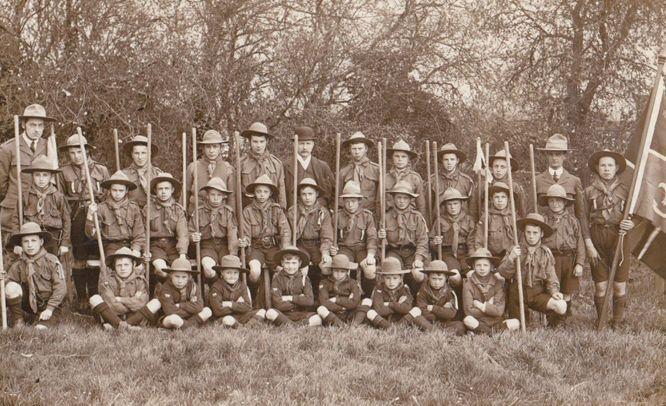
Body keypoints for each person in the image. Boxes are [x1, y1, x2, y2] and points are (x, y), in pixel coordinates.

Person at [58, 133, 110, 312]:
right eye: (72, 152)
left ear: (86, 150)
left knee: (95, 255)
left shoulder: (101, 170)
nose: (75, 156)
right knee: (79, 257)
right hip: (76, 216)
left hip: (97, 214)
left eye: (79, 151)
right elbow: (61, 198)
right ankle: (81, 297)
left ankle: (94, 293)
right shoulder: (63, 172)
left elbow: (108, 193)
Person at [584, 150, 635, 328]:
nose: (606, 169)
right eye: (603, 165)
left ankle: (617, 321)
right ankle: (602, 320)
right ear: (597, 168)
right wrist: (588, 243)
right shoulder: (589, 191)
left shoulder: (627, 190)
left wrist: (631, 224)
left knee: (619, 285)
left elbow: (636, 214)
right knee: (600, 285)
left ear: (617, 168)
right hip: (597, 237)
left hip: (619, 237)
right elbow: (583, 219)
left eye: (610, 165)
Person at [497, 213, 568, 324]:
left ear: (541, 234)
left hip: (537, 292)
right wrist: (511, 258)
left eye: (535, 233)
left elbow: (551, 277)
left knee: (561, 305)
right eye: (528, 232)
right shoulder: (515, 249)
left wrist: (554, 291)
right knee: (517, 325)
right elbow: (503, 273)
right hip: (517, 293)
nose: (531, 236)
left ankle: (554, 326)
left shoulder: (545, 253)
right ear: (524, 232)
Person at [1, 222, 66, 329]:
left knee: (40, 330)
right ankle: (18, 321)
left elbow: (61, 288)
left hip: (49, 306)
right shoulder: (19, 264)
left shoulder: (51, 261)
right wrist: (4, 279)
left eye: (33, 241)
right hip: (30, 305)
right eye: (26, 241)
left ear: (41, 242)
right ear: (21, 244)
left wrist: (50, 309)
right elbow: (9, 286)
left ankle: (43, 321)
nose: (30, 245)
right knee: (11, 287)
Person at [0, 104, 53, 232]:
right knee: (13, 247)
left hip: (37, 209)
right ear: (23, 124)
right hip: (13, 209)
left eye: (40, 125)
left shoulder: (48, 146)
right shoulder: (8, 148)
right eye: (33, 125)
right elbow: (1, 184)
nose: (37, 129)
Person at [535, 134, 591, 252]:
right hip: (543, 241)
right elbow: (531, 212)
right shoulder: (537, 180)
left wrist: (587, 240)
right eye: (551, 154)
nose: (554, 158)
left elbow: (580, 214)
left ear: (565, 156)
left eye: (558, 154)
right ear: (547, 155)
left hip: (567, 239)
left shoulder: (574, 181)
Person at [239, 174, 291, 302]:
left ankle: (278, 298)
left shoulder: (277, 210)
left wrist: (284, 250)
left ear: (270, 193)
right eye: (259, 191)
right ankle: (253, 292)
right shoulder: (247, 211)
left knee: (284, 270)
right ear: (254, 193)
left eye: (265, 192)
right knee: (255, 272)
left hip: (273, 248)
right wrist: (244, 241)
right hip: (256, 248)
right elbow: (245, 233)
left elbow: (285, 231)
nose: (262, 194)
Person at [540, 184, 585, 323]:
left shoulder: (573, 221)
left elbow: (580, 243)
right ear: (547, 202)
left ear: (565, 202)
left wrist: (579, 263)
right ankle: (552, 320)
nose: (555, 204)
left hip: (568, 259)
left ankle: (564, 318)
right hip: (550, 259)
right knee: (552, 288)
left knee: (567, 290)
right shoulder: (544, 220)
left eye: (559, 201)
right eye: (552, 201)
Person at [88, 247, 161, 331]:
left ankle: (117, 326)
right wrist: (131, 304)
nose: (122, 268)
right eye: (119, 265)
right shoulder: (108, 281)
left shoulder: (140, 281)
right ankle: (125, 326)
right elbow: (110, 304)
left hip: (133, 317)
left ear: (133, 264)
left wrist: (120, 299)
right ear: (114, 266)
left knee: (156, 303)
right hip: (114, 316)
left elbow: (141, 303)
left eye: (126, 265)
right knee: (94, 299)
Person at [11, 155, 71, 256]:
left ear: (51, 176)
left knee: (51, 265)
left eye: (45, 175)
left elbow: (66, 221)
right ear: (32, 176)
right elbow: (15, 219)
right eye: (37, 175)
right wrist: (17, 243)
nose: (41, 179)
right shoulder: (25, 196)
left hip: (53, 239)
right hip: (31, 239)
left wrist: (64, 243)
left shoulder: (58, 196)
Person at [378, 181, 429, 292]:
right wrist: (382, 238)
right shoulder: (386, 217)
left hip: (412, 252)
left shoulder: (417, 217)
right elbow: (381, 245)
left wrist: (418, 258)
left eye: (405, 198)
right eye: (399, 197)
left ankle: (416, 298)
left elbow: (423, 241)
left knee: (417, 273)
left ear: (410, 199)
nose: (401, 201)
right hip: (394, 251)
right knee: (392, 269)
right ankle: (393, 299)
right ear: (394, 198)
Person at [329, 181, 378, 296]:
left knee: (370, 270)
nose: (350, 205)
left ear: (359, 201)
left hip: (362, 249)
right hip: (344, 249)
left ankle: (368, 296)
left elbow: (372, 237)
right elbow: (331, 237)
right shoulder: (337, 216)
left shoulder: (367, 216)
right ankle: (345, 295)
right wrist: (333, 248)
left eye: (353, 201)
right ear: (343, 201)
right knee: (342, 266)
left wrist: (370, 254)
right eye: (347, 201)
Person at [287, 178, 333, 294]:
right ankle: (302, 295)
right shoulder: (293, 211)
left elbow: (326, 236)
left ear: (316, 194)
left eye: (310, 194)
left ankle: (323, 295)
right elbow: (288, 234)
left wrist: (325, 253)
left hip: (317, 246)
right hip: (300, 245)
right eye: (304, 194)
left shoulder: (323, 213)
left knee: (326, 266)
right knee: (302, 267)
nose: (307, 197)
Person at [189, 177, 239, 282]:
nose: (216, 198)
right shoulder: (198, 212)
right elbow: (190, 231)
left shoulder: (228, 212)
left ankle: (221, 289)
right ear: (207, 196)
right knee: (208, 269)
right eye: (212, 195)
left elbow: (232, 235)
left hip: (224, 246)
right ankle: (217, 284)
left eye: (219, 195)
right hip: (206, 247)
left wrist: (233, 254)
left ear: (224, 196)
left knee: (229, 268)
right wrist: (193, 237)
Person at [85, 171, 146, 255]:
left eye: (121, 190)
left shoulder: (133, 208)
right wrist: (90, 216)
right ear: (110, 189)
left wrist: (136, 250)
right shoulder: (101, 208)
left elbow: (139, 233)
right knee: (119, 261)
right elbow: (92, 235)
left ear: (126, 190)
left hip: (131, 245)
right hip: (111, 247)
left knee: (138, 266)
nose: (117, 194)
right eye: (114, 190)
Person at [462, 248, 520, 335]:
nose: (482, 268)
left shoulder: (498, 283)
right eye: (478, 265)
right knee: (468, 320)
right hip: (478, 321)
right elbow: (469, 311)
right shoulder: (468, 285)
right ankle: (493, 333)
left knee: (516, 322)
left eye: (485, 265)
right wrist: (490, 308)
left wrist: (481, 306)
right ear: (473, 266)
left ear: (491, 267)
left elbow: (499, 311)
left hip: (495, 321)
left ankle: (480, 332)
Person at [146, 173, 189, 283]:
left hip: (173, 246)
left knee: (180, 270)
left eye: (166, 188)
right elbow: (143, 232)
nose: (163, 192)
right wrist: (144, 250)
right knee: (162, 270)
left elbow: (182, 234)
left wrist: (182, 254)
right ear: (155, 191)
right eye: (160, 189)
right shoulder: (148, 208)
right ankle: (163, 289)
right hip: (155, 246)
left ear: (172, 190)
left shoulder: (178, 210)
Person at [265, 246, 322, 327]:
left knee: (318, 318)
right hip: (284, 314)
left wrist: (289, 298)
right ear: (282, 263)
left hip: (301, 313)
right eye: (287, 263)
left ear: (300, 263)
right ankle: (297, 326)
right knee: (270, 313)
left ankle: (289, 325)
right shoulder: (277, 279)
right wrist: (300, 300)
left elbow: (309, 301)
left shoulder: (304, 278)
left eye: (294, 263)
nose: (290, 267)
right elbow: (278, 303)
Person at [429, 188, 475, 281]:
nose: (453, 207)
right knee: (455, 276)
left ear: (461, 204)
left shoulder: (468, 220)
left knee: (471, 275)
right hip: (447, 254)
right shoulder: (439, 221)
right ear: (445, 206)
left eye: (455, 203)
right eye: (449, 204)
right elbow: (431, 243)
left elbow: (472, 241)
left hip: (464, 253)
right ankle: (455, 294)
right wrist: (435, 243)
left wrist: (472, 258)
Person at [185, 129, 236, 214]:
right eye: (208, 147)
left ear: (220, 148)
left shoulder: (228, 169)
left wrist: (232, 219)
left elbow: (231, 198)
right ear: (203, 148)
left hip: (219, 218)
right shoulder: (193, 167)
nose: (211, 150)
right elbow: (185, 194)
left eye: (215, 146)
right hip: (195, 217)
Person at [208, 255, 266, 327]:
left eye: (235, 273)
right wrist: (239, 305)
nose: (232, 276)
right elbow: (218, 310)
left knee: (262, 311)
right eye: (228, 273)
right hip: (225, 316)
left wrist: (230, 304)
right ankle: (242, 327)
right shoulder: (216, 287)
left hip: (241, 315)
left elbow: (248, 306)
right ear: (222, 272)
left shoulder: (242, 285)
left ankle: (247, 326)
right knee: (227, 320)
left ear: (239, 273)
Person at [239, 122, 287, 208]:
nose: (258, 145)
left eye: (262, 141)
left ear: (267, 142)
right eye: (255, 141)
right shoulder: (241, 163)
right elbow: (236, 191)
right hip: (248, 211)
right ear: (249, 141)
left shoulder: (276, 163)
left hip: (271, 210)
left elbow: (281, 189)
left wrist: (282, 210)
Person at [284, 126, 334, 208]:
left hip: (318, 214)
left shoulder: (322, 166)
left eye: (308, 143)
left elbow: (332, 192)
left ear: (313, 144)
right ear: (294, 144)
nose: (305, 147)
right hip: (292, 215)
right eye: (301, 143)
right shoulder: (285, 166)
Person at [156, 257, 212, 330]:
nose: (180, 281)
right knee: (173, 319)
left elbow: (199, 306)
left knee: (207, 311)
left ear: (189, 277)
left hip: (188, 316)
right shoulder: (165, 288)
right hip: (170, 316)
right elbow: (170, 311)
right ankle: (190, 325)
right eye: (177, 276)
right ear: (171, 275)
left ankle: (185, 325)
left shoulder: (193, 286)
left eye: (183, 277)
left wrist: (180, 305)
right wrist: (191, 311)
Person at [413, 260, 466, 335]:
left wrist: (432, 308)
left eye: (440, 279)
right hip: (428, 321)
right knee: (417, 318)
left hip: (444, 323)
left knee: (460, 326)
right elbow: (422, 310)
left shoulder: (450, 292)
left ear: (446, 278)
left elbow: (451, 314)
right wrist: (442, 311)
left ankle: (433, 331)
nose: (437, 282)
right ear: (428, 277)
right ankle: (438, 332)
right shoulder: (423, 290)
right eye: (433, 278)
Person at [430, 143, 477, 220]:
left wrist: (471, 224)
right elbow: (427, 207)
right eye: (446, 159)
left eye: (452, 159)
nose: (449, 162)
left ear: (457, 160)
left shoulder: (466, 181)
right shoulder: (432, 180)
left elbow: (472, 208)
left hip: (462, 225)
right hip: (439, 226)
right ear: (441, 160)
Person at [338, 132, 380, 215]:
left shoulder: (376, 170)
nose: (357, 152)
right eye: (354, 149)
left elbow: (379, 198)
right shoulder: (344, 171)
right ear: (350, 149)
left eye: (360, 148)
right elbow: (339, 198)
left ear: (366, 149)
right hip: (349, 215)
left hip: (370, 215)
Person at [365, 257, 413, 329]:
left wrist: (390, 304)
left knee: (415, 311)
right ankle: (390, 327)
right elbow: (379, 310)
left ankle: (395, 326)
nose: (391, 282)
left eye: (395, 278)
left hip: (399, 318)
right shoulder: (378, 289)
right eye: (388, 278)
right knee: (371, 313)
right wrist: (398, 305)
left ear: (400, 279)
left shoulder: (404, 289)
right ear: (383, 278)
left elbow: (407, 309)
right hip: (382, 319)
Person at [316, 254, 363, 327]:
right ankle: (341, 325)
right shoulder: (324, 282)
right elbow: (324, 302)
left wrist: (336, 300)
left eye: (342, 271)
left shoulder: (352, 283)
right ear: (331, 270)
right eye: (336, 271)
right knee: (321, 309)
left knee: (365, 302)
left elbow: (355, 302)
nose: (339, 274)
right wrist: (341, 307)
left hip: (349, 313)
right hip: (332, 312)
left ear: (347, 272)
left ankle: (354, 324)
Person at [480, 148, 527, 218]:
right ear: (492, 167)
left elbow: (521, 211)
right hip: (487, 224)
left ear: (509, 168)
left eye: (503, 167)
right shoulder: (484, 185)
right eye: (496, 166)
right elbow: (474, 210)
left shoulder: (514, 187)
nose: (498, 170)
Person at [385, 140, 426, 218]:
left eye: (403, 157)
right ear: (392, 158)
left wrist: (421, 221)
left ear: (408, 159)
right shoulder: (385, 178)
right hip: (390, 219)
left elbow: (421, 205)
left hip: (410, 219)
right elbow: (379, 203)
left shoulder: (415, 178)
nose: (400, 159)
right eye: (397, 156)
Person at [473, 182, 515, 257]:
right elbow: (478, 240)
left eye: (503, 197)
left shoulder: (513, 217)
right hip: (492, 257)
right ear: (492, 199)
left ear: (508, 199)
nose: (500, 200)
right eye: (496, 197)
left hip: (510, 257)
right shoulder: (487, 217)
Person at [121, 135, 163, 208]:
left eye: (143, 153)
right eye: (136, 153)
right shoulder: (123, 175)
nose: (140, 157)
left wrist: (147, 189)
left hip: (152, 215)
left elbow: (164, 200)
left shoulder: (158, 174)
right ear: (132, 154)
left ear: (149, 153)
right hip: (130, 216)